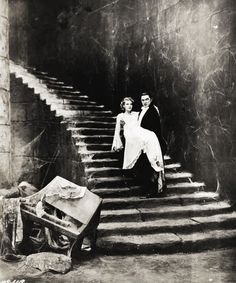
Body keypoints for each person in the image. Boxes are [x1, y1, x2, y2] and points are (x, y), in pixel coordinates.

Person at [112, 97, 165, 195]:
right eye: (127, 104)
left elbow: (146, 110)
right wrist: (117, 144)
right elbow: (117, 130)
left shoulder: (136, 114)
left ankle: (154, 160)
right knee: (138, 139)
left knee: (151, 135)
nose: (129, 106)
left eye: (131, 104)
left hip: (138, 132)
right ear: (123, 106)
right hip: (129, 134)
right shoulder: (121, 116)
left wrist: (155, 108)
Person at [135, 92, 167, 197]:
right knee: (146, 165)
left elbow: (155, 128)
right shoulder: (141, 111)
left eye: (146, 99)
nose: (144, 102)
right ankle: (148, 189)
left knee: (152, 164)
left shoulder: (153, 111)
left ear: (150, 100)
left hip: (152, 141)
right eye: (143, 100)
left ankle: (153, 190)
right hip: (144, 142)